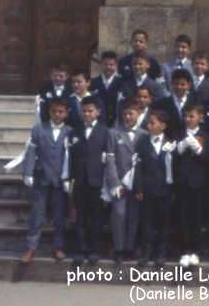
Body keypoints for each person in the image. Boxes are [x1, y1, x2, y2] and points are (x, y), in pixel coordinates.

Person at [21, 98, 72, 263]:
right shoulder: (38, 129)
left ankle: (58, 247)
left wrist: (69, 177)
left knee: (59, 215)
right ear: (49, 112)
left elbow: (71, 157)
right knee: (37, 214)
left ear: (66, 113)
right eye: (54, 111)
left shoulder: (70, 131)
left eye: (61, 112)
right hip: (41, 177)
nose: (57, 115)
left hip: (59, 179)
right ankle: (31, 247)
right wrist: (27, 173)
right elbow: (31, 151)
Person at [103, 100, 148, 264]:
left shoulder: (144, 134)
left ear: (139, 115)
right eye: (125, 114)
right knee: (119, 214)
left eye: (131, 114)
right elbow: (110, 159)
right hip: (120, 182)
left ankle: (130, 247)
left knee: (134, 215)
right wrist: (114, 183)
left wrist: (140, 185)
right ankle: (119, 248)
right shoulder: (114, 133)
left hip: (136, 183)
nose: (128, 117)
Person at [68, 96, 110, 266]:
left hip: (97, 180)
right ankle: (80, 249)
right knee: (81, 216)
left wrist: (107, 183)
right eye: (84, 111)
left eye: (90, 111)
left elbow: (108, 158)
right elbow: (69, 156)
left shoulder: (105, 132)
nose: (87, 114)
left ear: (98, 112)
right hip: (79, 180)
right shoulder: (74, 132)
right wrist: (69, 178)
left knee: (96, 216)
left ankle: (94, 249)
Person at [133, 110, 177, 267]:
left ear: (163, 126)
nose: (149, 125)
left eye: (153, 123)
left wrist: (173, 188)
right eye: (148, 123)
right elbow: (137, 167)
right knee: (147, 222)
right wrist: (138, 188)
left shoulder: (171, 143)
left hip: (165, 189)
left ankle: (161, 252)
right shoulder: (142, 142)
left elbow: (174, 167)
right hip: (147, 189)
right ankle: (147, 252)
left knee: (163, 222)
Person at [173, 104, 209, 267]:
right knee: (183, 217)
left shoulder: (205, 135)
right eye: (186, 116)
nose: (188, 119)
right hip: (182, 182)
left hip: (198, 182)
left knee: (196, 217)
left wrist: (198, 149)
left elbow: (208, 158)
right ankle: (185, 250)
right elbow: (173, 158)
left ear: (200, 118)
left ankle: (196, 250)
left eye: (192, 116)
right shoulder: (178, 134)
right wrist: (178, 149)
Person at [152, 68, 197, 140]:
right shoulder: (162, 104)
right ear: (171, 84)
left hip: (191, 142)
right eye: (176, 84)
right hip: (169, 143)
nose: (179, 87)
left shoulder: (195, 102)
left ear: (189, 85)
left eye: (182, 84)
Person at [90, 51, 124, 127]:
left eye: (111, 65)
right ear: (101, 65)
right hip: (98, 124)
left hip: (117, 124)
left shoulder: (122, 83)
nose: (108, 67)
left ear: (116, 65)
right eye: (105, 64)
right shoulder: (93, 83)